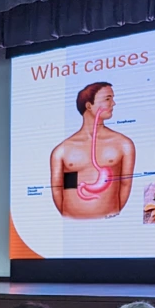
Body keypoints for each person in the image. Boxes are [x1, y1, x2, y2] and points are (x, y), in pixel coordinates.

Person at [49, 82, 135, 219]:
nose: (113, 104)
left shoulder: (123, 144)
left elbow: (125, 184)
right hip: (71, 223)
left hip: (110, 224)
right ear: (89, 106)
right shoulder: (62, 150)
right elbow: (60, 188)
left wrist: (113, 213)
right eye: (108, 99)